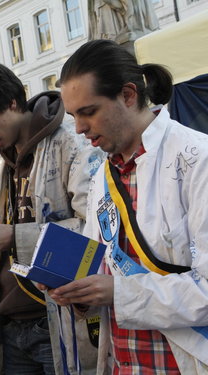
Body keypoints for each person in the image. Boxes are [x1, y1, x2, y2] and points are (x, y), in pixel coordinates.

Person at [48, 39, 208, 373]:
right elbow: (102, 271)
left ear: (128, 95)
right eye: (73, 115)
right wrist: (78, 293)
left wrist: (119, 291)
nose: (78, 128)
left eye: (88, 112)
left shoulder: (197, 159)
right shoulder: (102, 175)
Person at [0, 59, 104, 374]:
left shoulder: (70, 142)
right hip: (11, 326)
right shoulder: (8, 159)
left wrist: (13, 236)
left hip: (56, 322)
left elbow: (95, 227)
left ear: (11, 102)